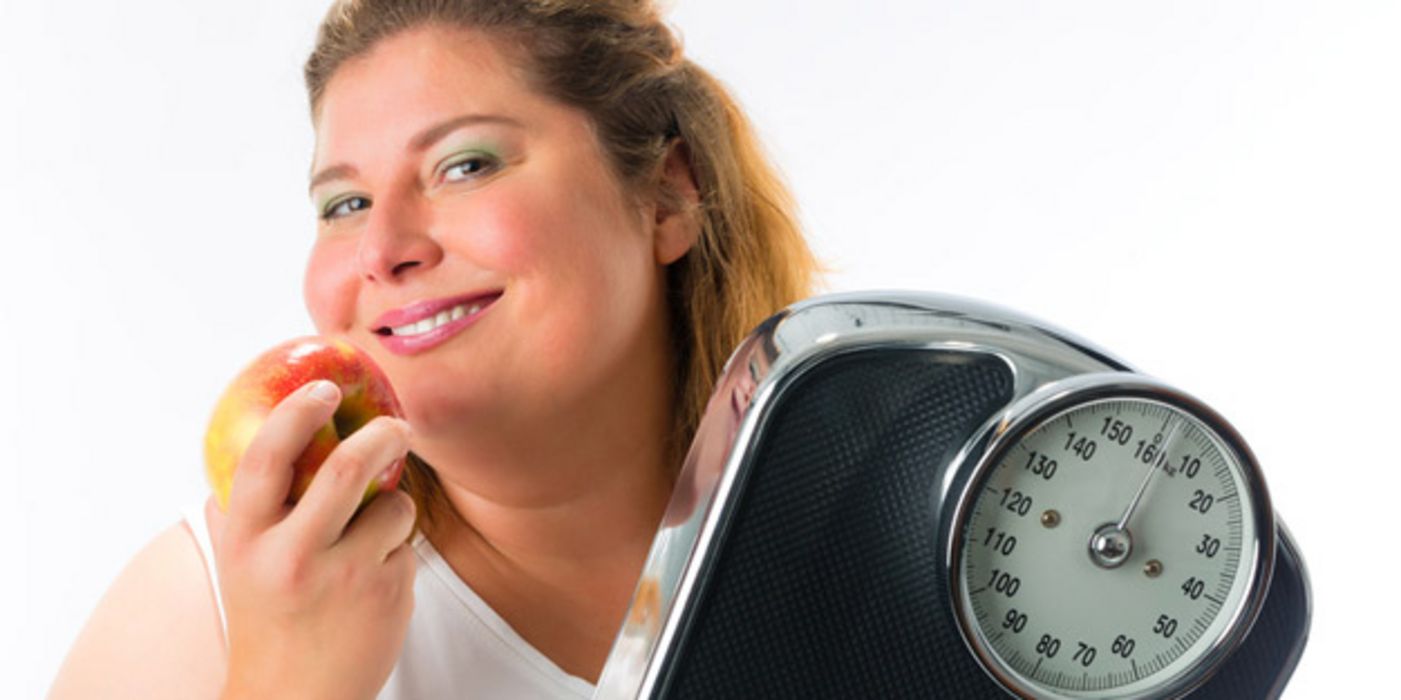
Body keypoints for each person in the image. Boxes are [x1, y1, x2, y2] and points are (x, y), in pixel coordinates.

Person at [48, 0, 819, 697]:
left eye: (465, 165)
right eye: (345, 204)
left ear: (667, 195)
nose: (381, 249)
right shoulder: (207, 607)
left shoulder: (895, 537)